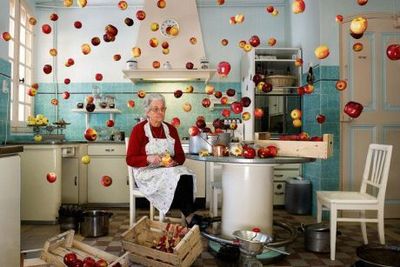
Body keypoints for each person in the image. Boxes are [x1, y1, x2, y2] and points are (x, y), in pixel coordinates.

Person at [126, 93, 202, 226]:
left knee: (187, 173)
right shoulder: (138, 130)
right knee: (176, 176)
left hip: (167, 170)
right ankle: (191, 217)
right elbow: (130, 159)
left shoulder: (171, 129)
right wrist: (149, 158)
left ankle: (190, 215)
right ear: (147, 111)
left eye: (163, 109)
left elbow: (180, 156)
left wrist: (174, 162)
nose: (160, 112)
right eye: (156, 109)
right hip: (146, 173)